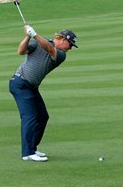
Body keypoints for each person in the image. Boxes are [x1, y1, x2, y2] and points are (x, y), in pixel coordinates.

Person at [9, 25, 77, 162]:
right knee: (30, 116)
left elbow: (49, 48)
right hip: (20, 84)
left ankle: (32, 148)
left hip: (32, 87)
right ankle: (27, 153)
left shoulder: (61, 55)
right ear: (63, 40)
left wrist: (34, 34)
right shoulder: (40, 41)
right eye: (70, 45)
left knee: (42, 116)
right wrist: (28, 36)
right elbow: (21, 51)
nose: (70, 49)